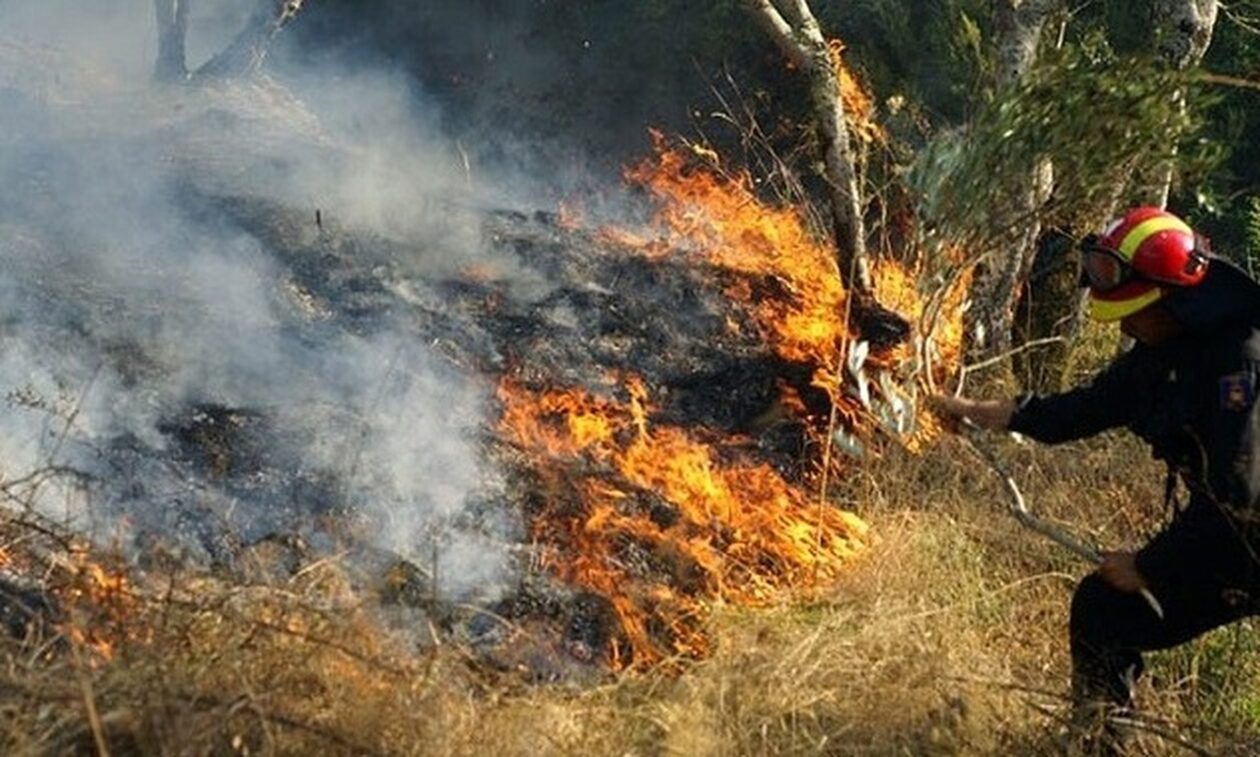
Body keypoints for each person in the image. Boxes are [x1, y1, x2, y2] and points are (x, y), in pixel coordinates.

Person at [934, 207, 1260, 749]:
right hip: (1232, 536)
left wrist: (1149, 566)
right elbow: (1086, 409)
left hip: (1244, 532)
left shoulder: (1241, 363)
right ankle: (1099, 743)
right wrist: (985, 411)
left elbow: (1240, 493)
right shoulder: (1165, 346)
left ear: (1174, 296)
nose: (1125, 323)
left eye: (1136, 310)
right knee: (1104, 609)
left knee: (1113, 601)